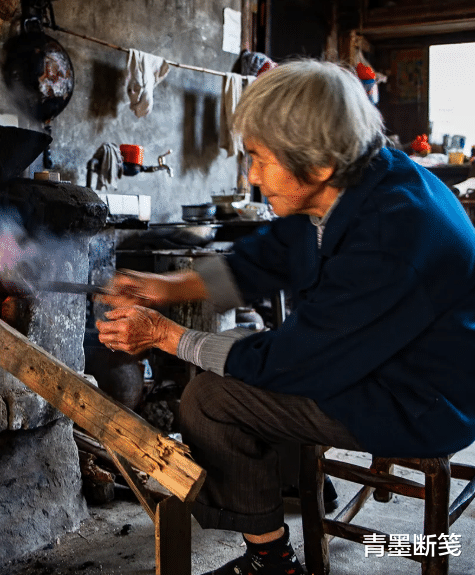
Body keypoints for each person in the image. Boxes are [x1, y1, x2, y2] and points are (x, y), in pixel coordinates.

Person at [95, 59, 475, 575]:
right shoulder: (356, 179)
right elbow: (265, 259)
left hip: (421, 401)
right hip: (391, 364)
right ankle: (286, 490)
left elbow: (294, 362)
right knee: (237, 368)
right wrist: (164, 287)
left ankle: (272, 560)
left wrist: (166, 336)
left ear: (315, 164)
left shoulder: (393, 235)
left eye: (258, 158)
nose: (251, 175)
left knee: (211, 399)